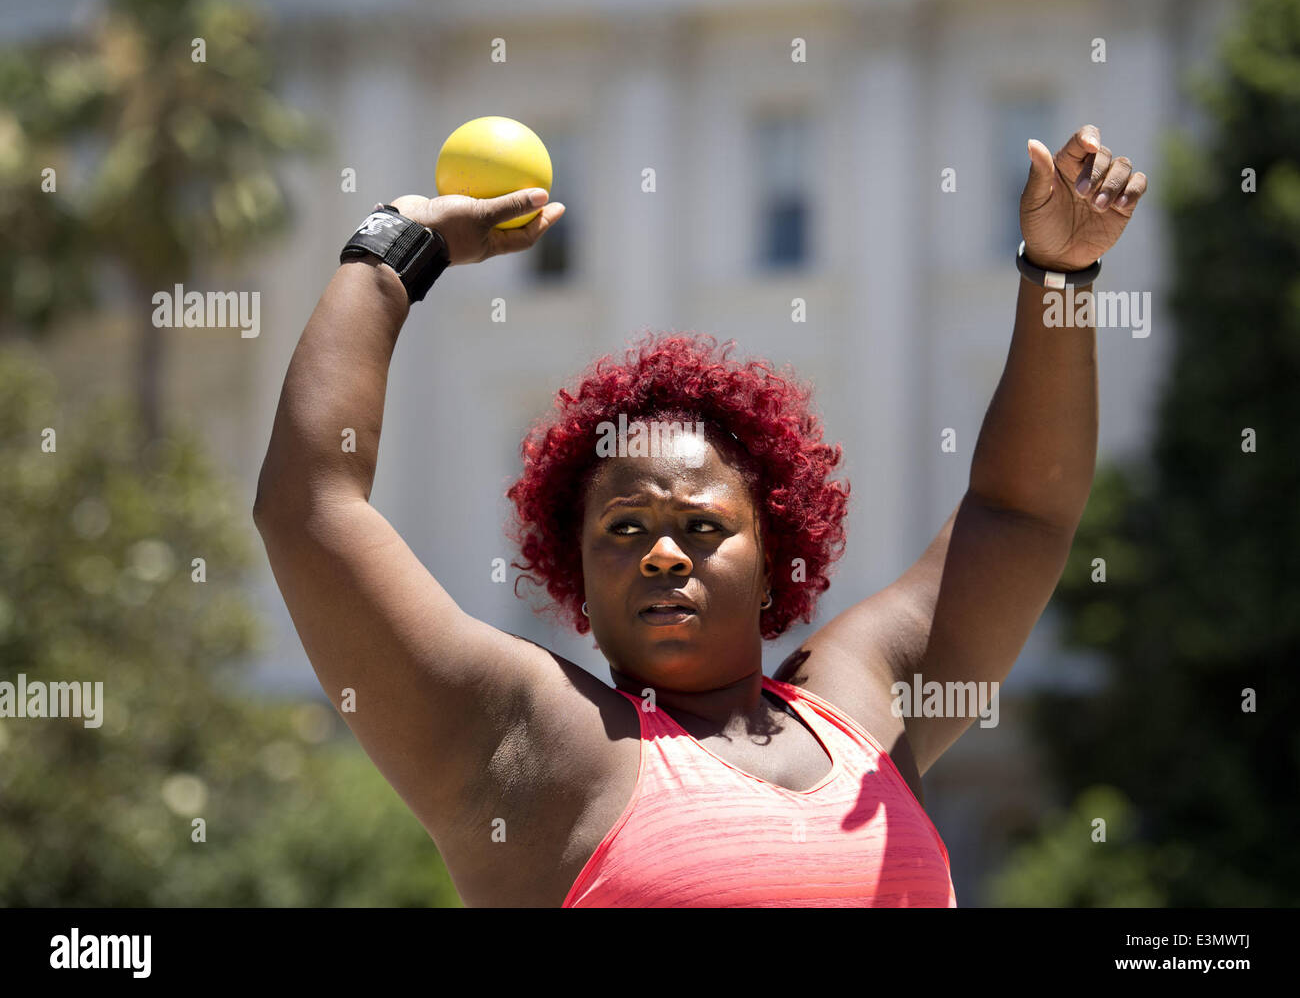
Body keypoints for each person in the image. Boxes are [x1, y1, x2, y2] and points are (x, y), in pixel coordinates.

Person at [253, 123, 1147, 907]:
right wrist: (397, 250)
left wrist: (1062, 275)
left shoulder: (864, 705)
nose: (664, 555)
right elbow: (310, 509)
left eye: (705, 526)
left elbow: (1020, 511)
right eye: (624, 529)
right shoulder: (533, 739)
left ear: (773, 553)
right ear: (578, 570)